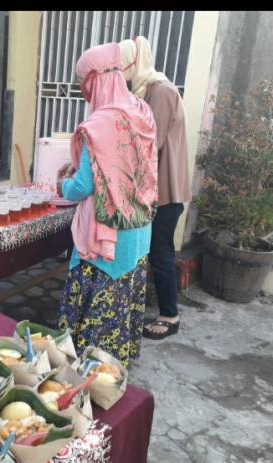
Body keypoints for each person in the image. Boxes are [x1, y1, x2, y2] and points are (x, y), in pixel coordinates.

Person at [55, 42, 158, 367]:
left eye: (87, 85)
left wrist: (62, 184)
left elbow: (83, 186)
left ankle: (84, 374)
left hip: (107, 239)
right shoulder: (141, 111)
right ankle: (114, 369)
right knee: (122, 304)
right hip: (139, 229)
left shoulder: (100, 125)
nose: (87, 95)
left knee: (95, 311)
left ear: (96, 81)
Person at [118, 36, 192, 340]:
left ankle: (169, 314)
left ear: (135, 63)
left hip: (166, 192)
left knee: (160, 251)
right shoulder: (149, 89)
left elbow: (151, 145)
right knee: (155, 250)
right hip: (158, 191)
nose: (119, 73)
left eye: (122, 65)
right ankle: (163, 308)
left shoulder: (160, 92)